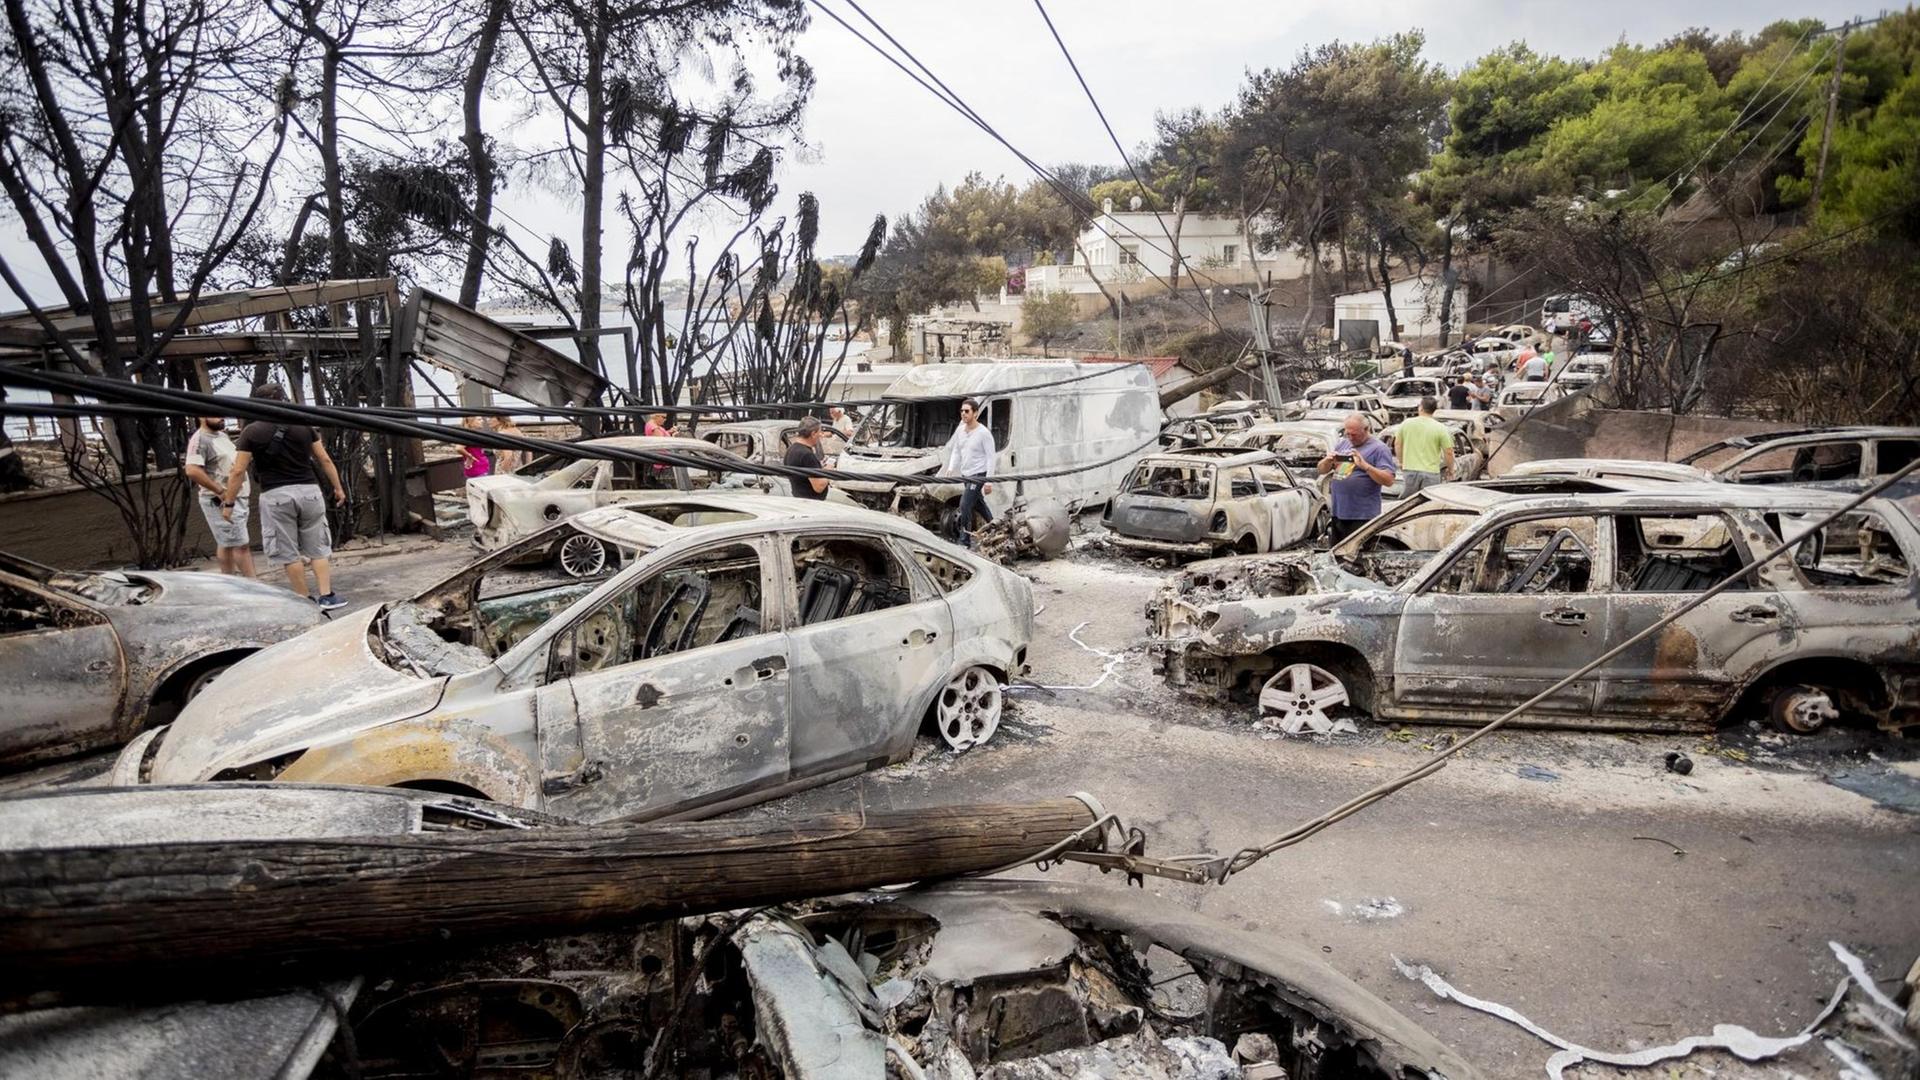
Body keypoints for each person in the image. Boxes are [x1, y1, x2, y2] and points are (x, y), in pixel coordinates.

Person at [221, 384, 348, 609]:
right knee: (317, 546)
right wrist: (338, 487)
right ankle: (327, 596)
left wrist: (229, 502)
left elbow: (238, 471)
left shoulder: (252, 431)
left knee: (288, 551)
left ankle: (304, 600)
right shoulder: (304, 425)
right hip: (309, 492)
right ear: (284, 399)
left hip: (276, 495)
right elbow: (324, 459)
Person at [184, 413, 256, 578]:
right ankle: (255, 584)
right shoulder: (200, 439)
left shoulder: (221, 435)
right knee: (240, 544)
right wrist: (220, 491)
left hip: (237, 496)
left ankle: (229, 581)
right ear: (201, 416)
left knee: (227, 542)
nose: (221, 417)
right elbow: (192, 470)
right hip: (220, 500)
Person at [1317, 414, 1396, 542]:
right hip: (1339, 512)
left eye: (1354, 435)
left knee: (1356, 556)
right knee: (1337, 553)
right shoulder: (1343, 444)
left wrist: (1365, 466)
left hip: (1362, 516)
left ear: (1366, 429)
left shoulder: (1380, 449)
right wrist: (1327, 461)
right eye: (1348, 434)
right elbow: (1321, 470)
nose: (1350, 438)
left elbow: (1389, 480)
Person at [944, 398, 996, 548]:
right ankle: (995, 527)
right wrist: (951, 467)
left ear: (976, 413)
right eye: (961, 411)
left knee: (965, 505)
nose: (963, 414)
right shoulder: (960, 430)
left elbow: (991, 457)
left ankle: (964, 539)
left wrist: (988, 481)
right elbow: (956, 450)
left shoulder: (983, 433)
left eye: (967, 411)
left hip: (979, 474)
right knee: (979, 504)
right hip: (966, 474)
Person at [1394, 397, 1454, 498]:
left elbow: (1397, 444)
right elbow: (1448, 451)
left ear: (1421, 408)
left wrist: (1401, 462)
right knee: (1428, 503)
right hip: (1431, 472)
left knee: (1407, 503)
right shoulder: (1441, 428)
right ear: (1434, 410)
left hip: (1410, 470)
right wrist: (1450, 469)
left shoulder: (1407, 423)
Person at [783, 416, 831, 500]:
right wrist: (828, 471)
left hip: (797, 498)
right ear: (813, 434)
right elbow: (819, 486)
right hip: (811, 503)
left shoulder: (790, 450)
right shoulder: (807, 455)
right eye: (820, 432)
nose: (821, 435)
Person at [459, 416, 492, 480]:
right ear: (471, 423)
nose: (482, 421)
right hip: (478, 470)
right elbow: (459, 448)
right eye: (479, 419)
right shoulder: (468, 435)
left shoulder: (473, 434)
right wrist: (470, 456)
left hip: (479, 468)